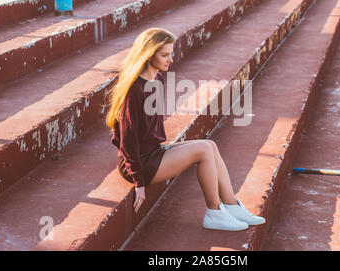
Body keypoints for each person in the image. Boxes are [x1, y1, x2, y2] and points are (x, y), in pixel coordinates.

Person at [105, 27, 265, 231]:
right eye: (164, 55)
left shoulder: (157, 80)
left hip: (153, 153)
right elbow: (127, 141)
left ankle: (231, 206)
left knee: (210, 145)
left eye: (170, 53)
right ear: (147, 54)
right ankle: (214, 213)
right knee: (203, 150)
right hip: (139, 164)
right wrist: (139, 182)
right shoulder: (134, 90)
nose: (170, 59)